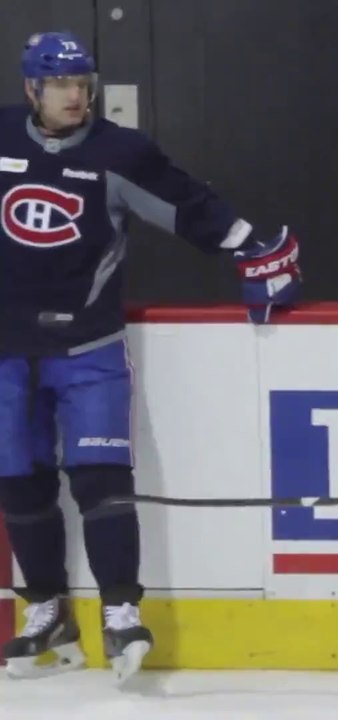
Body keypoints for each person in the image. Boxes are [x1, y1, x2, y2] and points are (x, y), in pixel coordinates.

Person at [0, 32, 300, 682]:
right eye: (61, 86)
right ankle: (46, 606)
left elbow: (189, 204)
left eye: (84, 84)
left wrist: (255, 248)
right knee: (18, 480)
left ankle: (121, 613)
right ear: (31, 89)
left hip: (89, 348)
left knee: (100, 479)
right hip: (5, 352)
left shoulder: (120, 152)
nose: (76, 96)